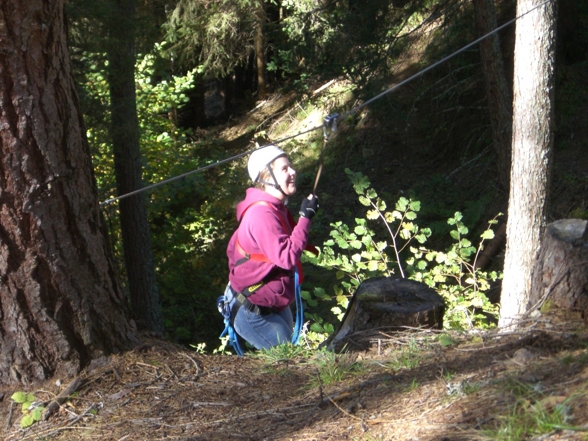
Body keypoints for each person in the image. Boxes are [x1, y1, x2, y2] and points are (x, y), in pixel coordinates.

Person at [225, 145, 319, 350]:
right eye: (284, 169)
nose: (293, 171)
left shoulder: (274, 208)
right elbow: (287, 257)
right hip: (252, 309)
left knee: (291, 358)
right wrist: (305, 218)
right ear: (267, 177)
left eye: (290, 166)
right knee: (289, 362)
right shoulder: (261, 214)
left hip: (268, 302)